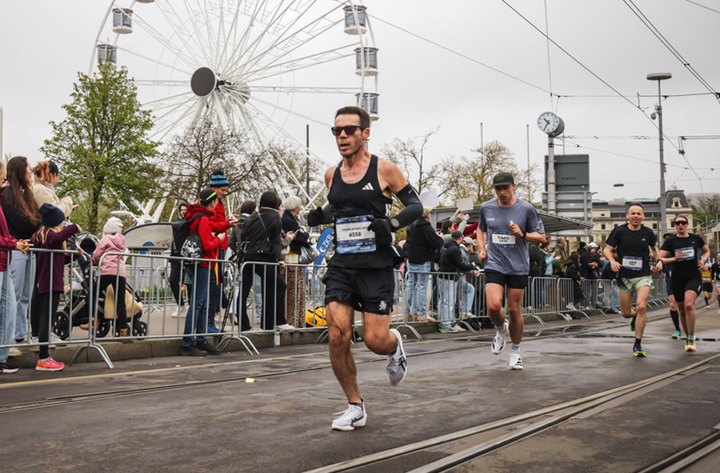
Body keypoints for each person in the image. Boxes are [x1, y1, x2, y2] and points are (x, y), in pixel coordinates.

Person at [306, 105, 423, 431]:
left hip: (376, 265)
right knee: (337, 334)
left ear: (365, 133)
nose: (342, 136)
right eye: (336, 131)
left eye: (349, 130)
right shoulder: (331, 174)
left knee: (374, 339)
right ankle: (355, 405)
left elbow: (416, 206)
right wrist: (321, 214)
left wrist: (392, 223)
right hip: (343, 263)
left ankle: (393, 345)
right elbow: (340, 208)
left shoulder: (384, 170)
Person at [477, 172, 545, 370]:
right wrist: (482, 248)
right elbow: (480, 229)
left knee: (514, 310)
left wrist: (523, 234)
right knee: (493, 305)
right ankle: (500, 328)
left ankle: (515, 351)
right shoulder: (486, 207)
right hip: (495, 263)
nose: (502, 192)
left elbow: (541, 237)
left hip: (517, 266)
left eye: (505, 188)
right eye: (498, 189)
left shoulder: (526, 209)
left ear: (514, 186)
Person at [603, 202, 661, 357]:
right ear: (627, 216)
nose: (636, 216)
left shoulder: (648, 232)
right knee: (626, 313)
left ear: (643, 216)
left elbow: (654, 248)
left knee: (642, 306)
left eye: (639, 213)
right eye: (633, 213)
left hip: (643, 274)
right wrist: (613, 261)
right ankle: (634, 316)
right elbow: (607, 249)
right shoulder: (619, 231)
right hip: (624, 276)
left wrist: (659, 260)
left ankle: (638, 344)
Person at [32, 204, 82, 371]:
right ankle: (43, 358)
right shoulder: (50, 237)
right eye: (62, 221)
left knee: (46, 319)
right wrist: (74, 227)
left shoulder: (43, 237)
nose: (63, 224)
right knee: (47, 320)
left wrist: (74, 255)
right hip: (50, 283)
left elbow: (60, 259)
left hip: (48, 281)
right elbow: (57, 239)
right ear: (55, 222)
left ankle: (44, 356)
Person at [240, 191, 294, 332]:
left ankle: (244, 325)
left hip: (247, 256)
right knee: (278, 286)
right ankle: (278, 321)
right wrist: (278, 259)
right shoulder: (275, 216)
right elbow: (276, 241)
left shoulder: (252, 217)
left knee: (244, 290)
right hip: (263, 257)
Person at [1, 157, 40, 346]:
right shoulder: (7, 195)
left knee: (25, 295)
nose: (30, 172)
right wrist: (41, 224)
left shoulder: (25, 195)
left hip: (27, 249)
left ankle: (20, 333)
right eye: (28, 169)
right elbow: (23, 222)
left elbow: (32, 220)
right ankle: (7, 338)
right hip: (15, 249)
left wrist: (37, 224)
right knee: (13, 296)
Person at [658, 214, 710, 352]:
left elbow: (707, 251)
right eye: (677, 223)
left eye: (683, 222)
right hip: (677, 278)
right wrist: (674, 258)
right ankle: (687, 336)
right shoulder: (671, 241)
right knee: (681, 309)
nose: (680, 225)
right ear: (674, 225)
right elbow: (660, 259)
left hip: (693, 276)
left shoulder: (695, 238)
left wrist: (703, 260)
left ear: (687, 224)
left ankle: (691, 338)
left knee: (688, 304)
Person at [181, 189, 224, 356]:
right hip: (203, 263)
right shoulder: (204, 218)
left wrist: (226, 224)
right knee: (198, 304)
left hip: (193, 263)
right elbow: (206, 245)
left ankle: (201, 340)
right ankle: (188, 342)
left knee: (202, 303)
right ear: (212, 202)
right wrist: (218, 239)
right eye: (217, 202)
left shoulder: (193, 215)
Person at [0, 161, 31, 374]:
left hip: (4, 261)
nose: (3, 180)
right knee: (7, 309)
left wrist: (14, 242)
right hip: (3, 258)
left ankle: (1, 358)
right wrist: (13, 243)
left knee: (9, 309)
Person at [207, 170, 239, 333]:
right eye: (222, 190)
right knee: (215, 285)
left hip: (220, 246)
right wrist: (228, 224)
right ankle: (209, 323)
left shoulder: (217, 203)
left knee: (217, 284)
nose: (224, 193)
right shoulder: (213, 204)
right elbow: (212, 225)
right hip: (217, 246)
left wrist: (227, 222)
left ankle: (210, 321)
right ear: (214, 188)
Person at [92, 217, 131, 341]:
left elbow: (98, 254)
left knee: (92, 293)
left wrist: (95, 261)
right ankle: (124, 331)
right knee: (121, 303)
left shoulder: (106, 239)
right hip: (120, 273)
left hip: (107, 271)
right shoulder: (122, 240)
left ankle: (94, 320)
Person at [405, 206, 443, 322]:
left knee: (411, 284)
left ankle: (408, 312)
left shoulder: (412, 226)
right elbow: (437, 243)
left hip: (411, 259)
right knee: (421, 286)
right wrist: (440, 237)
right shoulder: (427, 227)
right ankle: (421, 313)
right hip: (423, 260)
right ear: (427, 215)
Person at [437, 231, 478, 333]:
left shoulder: (446, 247)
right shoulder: (455, 249)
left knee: (443, 301)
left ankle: (443, 323)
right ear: (460, 239)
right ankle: (446, 324)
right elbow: (460, 265)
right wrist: (472, 267)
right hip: (449, 277)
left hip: (442, 275)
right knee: (449, 301)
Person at [281, 195, 310, 327]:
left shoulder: (289, 218)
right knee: (294, 292)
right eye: (300, 205)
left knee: (296, 292)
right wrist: (304, 233)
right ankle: (294, 320)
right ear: (295, 206)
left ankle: (297, 320)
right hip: (291, 259)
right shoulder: (289, 220)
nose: (301, 207)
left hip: (293, 258)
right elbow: (302, 237)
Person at [659, 233, 681, 338]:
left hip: (683, 279)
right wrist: (656, 268)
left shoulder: (679, 251)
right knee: (673, 304)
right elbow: (658, 264)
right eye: (665, 239)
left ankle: (688, 327)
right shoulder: (662, 254)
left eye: (669, 239)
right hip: (670, 279)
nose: (667, 241)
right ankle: (677, 330)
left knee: (684, 306)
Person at [170, 203, 189, 318]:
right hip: (176, 256)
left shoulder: (190, 224)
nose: (183, 212)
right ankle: (180, 305)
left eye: (185, 209)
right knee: (173, 280)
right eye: (181, 210)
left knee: (190, 283)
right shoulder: (176, 224)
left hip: (187, 256)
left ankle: (191, 306)